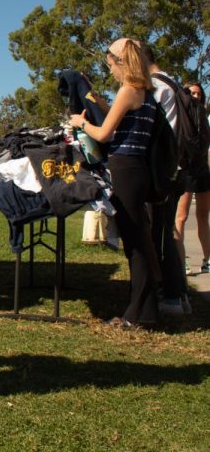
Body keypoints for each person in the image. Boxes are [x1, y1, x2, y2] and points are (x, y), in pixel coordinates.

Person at [69, 38, 159, 327]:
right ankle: (144, 311)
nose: (111, 72)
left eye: (110, 66)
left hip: (126, 169)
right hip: (138, 169)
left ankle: (137, 315)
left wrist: (79, 123)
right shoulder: (145, 90)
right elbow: (118, 118)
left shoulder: (128, 89)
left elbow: (105, 133)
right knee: (138, 241)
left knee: (136, 245)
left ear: (122, 62)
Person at [144, 44, 188, 315]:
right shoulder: (174, 83)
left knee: (160, 234)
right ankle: (179, 293)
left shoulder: (158, 88)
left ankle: (171, 296)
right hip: (177, 168)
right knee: (166, 231)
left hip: (164, 170)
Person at [176, 82, 210, 276]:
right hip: (185, 169)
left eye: (199, 94)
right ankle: (182, 261)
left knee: (203, 216)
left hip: (202, 169)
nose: (195, 97)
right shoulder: (181, 115)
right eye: (191, 93)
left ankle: (208, 259)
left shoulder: (203, 117)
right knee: (181, 217)